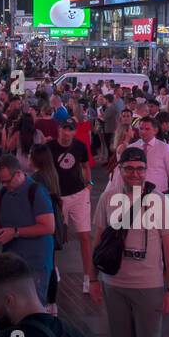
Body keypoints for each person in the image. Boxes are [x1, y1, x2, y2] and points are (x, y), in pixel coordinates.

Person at [97, 146, 169, 337]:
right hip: (113, 283)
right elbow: (97, 239)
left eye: (140, 168)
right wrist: (92, 279)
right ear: (119, 170)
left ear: (147, 170)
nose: (135, 173)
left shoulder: (159, 201)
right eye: (129, 168)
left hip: (149, 285)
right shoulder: (108, 197)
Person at [0, 154, 56, 304]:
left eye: (7, 181)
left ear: (19, 173)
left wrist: (15, 232)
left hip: (35, 262)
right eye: (2, 181)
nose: (5, 185)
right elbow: (0, 222)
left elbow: (48, 227)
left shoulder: (36, 192)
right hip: (12, 262)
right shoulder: (4, 192)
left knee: (34, 305)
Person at [50, 122, 95, 296]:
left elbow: (85, 165)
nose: (66, 132)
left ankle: (87, 277)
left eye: (70, 129)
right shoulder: (50, 147)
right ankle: (54, 269)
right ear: (59, 130)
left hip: (78, 194)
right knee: (56, 237)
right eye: (63, 128)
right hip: (58, 196)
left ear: (74, 132)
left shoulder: (80, 147)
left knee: (84, 235)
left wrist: (89, 185)